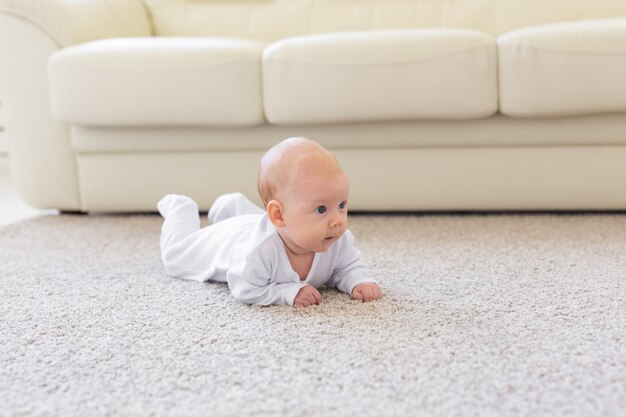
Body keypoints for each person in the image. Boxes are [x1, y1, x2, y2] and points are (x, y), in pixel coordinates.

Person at [157, 137, 383, 307]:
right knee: (175, 257)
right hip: (228, 239)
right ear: (278, 215)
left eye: (342, 205)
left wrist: (358, 281)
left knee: (257, 222)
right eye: (321, 209)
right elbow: (244, 288)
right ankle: (182, 208)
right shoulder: (257, 252)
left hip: (263, 224)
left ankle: (229, 205)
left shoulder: (336, 239)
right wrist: (286, 292)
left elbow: (347, 267)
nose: (337, 221)